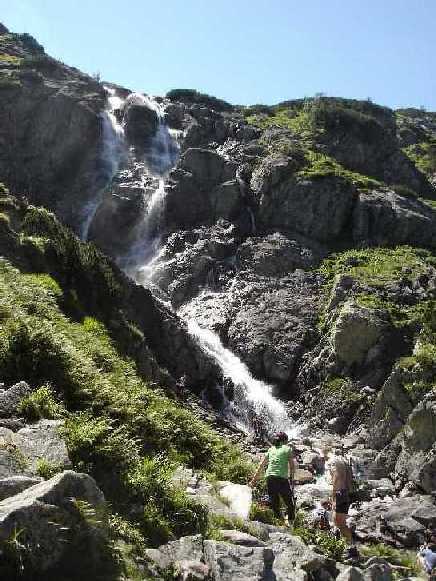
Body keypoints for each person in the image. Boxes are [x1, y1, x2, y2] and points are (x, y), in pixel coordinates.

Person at [249, 431, 295, 524]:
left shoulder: (271, 449)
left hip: (270, 477)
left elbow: (261, 465)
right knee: (289, 503)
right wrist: (291, 478)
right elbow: (292, 466)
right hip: (281, 478)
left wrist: (253, 480)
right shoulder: (287, 449)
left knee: (275, 502)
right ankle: (291, 524)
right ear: (285, 441)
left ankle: (278, 522)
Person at [327, 447, 353, 544]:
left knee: (340, 523)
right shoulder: (344, 462)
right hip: (345, 493)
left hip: (340, 493)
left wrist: (333, 498)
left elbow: (336, 479)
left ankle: (351, 546)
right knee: (337, 521)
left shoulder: (334, 462)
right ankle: (343, 544)